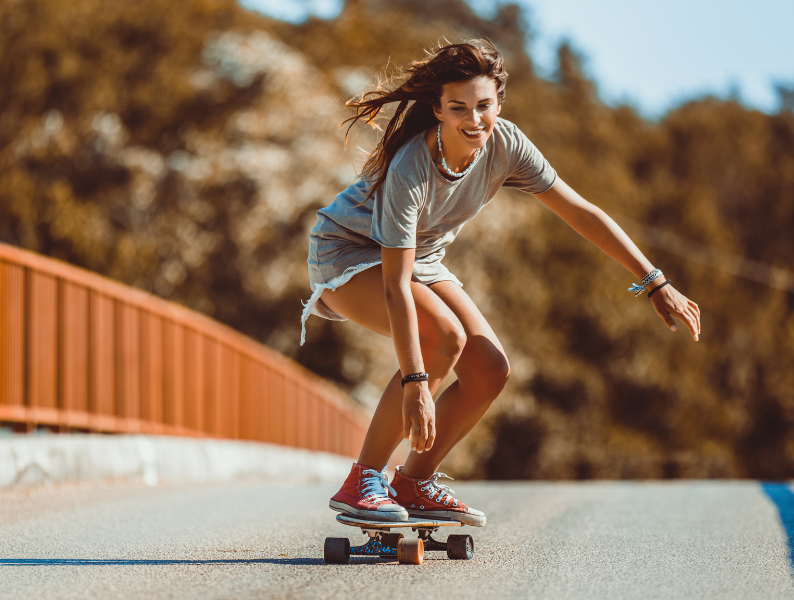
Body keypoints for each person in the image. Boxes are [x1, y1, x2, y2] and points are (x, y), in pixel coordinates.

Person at [300, 40, 701, 526]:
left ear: (499, 104)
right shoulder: (412, 166)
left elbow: (581, 212)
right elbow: (395, 286)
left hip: (420, 258)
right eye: (458, 108)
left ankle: (412, 483)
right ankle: (362, 479)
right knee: (443, 337)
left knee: (489, 367)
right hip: (345, 252)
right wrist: (415, 383)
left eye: (484, 106)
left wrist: (655, 282)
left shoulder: (507, 145)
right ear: (438, 110)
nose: (474, 120)